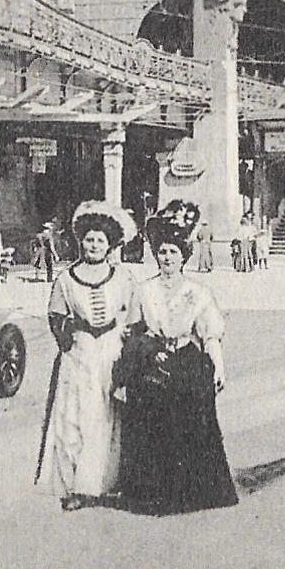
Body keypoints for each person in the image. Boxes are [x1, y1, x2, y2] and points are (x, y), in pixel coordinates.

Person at [114, 200, 237, 515]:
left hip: (185, 359)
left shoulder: (198, 292)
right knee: (150, 419)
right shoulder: (144, 290)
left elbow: (210, 334)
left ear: (184, 256)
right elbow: (131, 330)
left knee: (189, 420)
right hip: (152, 358)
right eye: (163, 252)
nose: (167, 258)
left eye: (173, 252)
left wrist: (218, 366)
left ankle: (190, 491)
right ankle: (150, 490)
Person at [44, 201, 136, 511]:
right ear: (81, 241)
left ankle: (105, 482)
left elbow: (134, 314)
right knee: (74, 417)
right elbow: (55, 315)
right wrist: (66, 339)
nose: (94, 245)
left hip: (111, 350)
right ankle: (76, 487)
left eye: (100, 240)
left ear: (110, 245)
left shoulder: (122, 277)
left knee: (108, 417)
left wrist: (128, 346)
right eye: (89, 239)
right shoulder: (66, 279)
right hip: (80, 352)